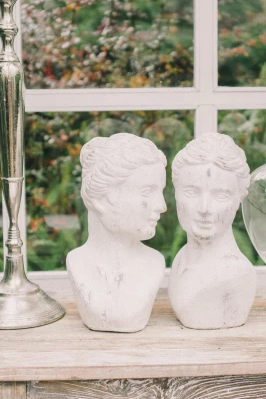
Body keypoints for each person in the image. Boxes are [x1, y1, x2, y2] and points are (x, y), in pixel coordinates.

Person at [67, 132, 167, 332]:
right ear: (102, 200)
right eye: (147, 192)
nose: (162, 206)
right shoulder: (77, 262)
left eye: (161, 191)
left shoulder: (154, 263)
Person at [170, 132, 256, 329]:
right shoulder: (181, 260)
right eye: (191, 192)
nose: (204, 208)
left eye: (221, 195)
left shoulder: (237, 274)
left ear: (238, 199)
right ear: (175, 192)